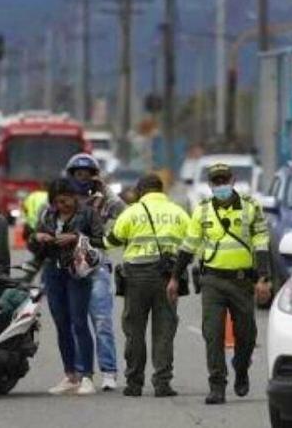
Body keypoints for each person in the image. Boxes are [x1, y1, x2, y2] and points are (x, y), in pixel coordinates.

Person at [169, 163, 272, 405]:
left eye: (224, 180)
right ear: (210, 184)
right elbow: (188, 246)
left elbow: (261, 241)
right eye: (216, 181)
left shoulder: (250, 206)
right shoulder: (202, 211)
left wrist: (263, 278)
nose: (221, 185)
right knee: (212, 333)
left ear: (233, 180)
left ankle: (241, 367)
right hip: (212, 280)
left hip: (242, 281)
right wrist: (174, 277)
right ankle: (217, 385)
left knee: (246, 335)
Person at [104, 174, 189, 398]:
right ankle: (162, 383)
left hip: (136, 278)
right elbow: (192, 243)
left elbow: (111, 241)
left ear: (140, 191)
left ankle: (134, 384)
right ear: (161, 190)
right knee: (164, 331)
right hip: (168, 276)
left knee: (135, 331)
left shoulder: (131, 212)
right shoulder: (177, 212)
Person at [27, 178, 104, 396]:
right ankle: (71, 375)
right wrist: (37, 237)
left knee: (79, 322)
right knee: (62, 323)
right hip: (53, 272)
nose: (64, 205)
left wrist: (76, 237)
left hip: (77, 272)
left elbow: (101, 240)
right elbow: (32, 245)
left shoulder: (88, 214)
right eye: (59, 202)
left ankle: (87, 375)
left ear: (75, 197)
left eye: (68, 199)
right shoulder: (48, 215)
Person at [65, 153, 124, 391]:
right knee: (76, 323)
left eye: (87, 174)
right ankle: (81, 373)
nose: (82, 178)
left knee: (102, 322)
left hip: (97, 266)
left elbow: (124, 212)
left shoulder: (103, 201)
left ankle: (109, 372)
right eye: (78, 174)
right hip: (70, 268)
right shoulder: (64, 201)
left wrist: (106, 190)